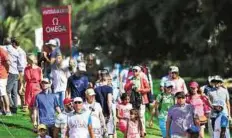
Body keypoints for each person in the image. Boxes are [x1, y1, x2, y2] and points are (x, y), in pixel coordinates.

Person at [124, 66, 151, 133]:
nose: (134, 72)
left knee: (141, 115)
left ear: (139, 72)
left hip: (141, 99)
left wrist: (140, 90)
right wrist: (130, 83)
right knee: (134, 115)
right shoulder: (130, 79)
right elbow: (125, 88)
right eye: (133, 71)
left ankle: (143, 130)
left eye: (136, 71)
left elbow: (148, 88)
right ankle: (137, 130)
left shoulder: (142, 79)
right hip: (133, 100)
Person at [4, 38, 24, 114]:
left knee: (6, 91)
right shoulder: (21, 51)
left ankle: (12, 106)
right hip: (17, 73)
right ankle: (14, 109)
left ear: (13, 43)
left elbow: (4, 46)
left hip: (12, 73)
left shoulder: (10, 48)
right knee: (14, 92)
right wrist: (20, 73)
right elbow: (21, 64)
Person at [24, 54, 42, 123]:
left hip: (36, 88)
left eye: (31, 60)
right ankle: (33, 121)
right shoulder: (26, 68)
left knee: (35, 106)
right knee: (29, 107)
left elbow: (41, 80)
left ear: (34, 60)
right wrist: (22, 87)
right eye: (29, 60)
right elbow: (24, 79)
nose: (30, 61)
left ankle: (35, 123)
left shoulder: (39, 69)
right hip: (28, 88)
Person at [0, 46, 11, 116]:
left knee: (3, 93)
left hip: (2, 74)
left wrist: (7, 71)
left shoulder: (2, 50)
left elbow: (8, 62)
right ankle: (2, 109)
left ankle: (8, 110)